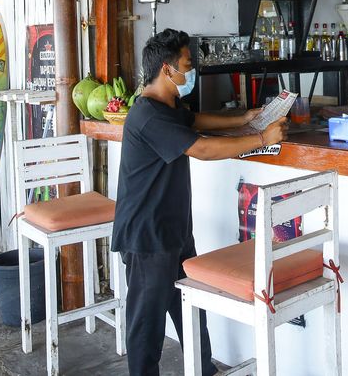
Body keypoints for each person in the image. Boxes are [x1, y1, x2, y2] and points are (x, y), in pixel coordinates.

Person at [112, 29, 288, 376]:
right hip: (147, 236)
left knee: (189, 309)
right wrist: (259, 139)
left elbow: (196, 121)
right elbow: (201, 147)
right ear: (167, 69)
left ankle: (205, 369)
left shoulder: (168, 105)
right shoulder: (147, 115)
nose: (191, 72)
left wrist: (244, 118)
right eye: (187, 65)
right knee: (146, 326)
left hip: (173, 230)